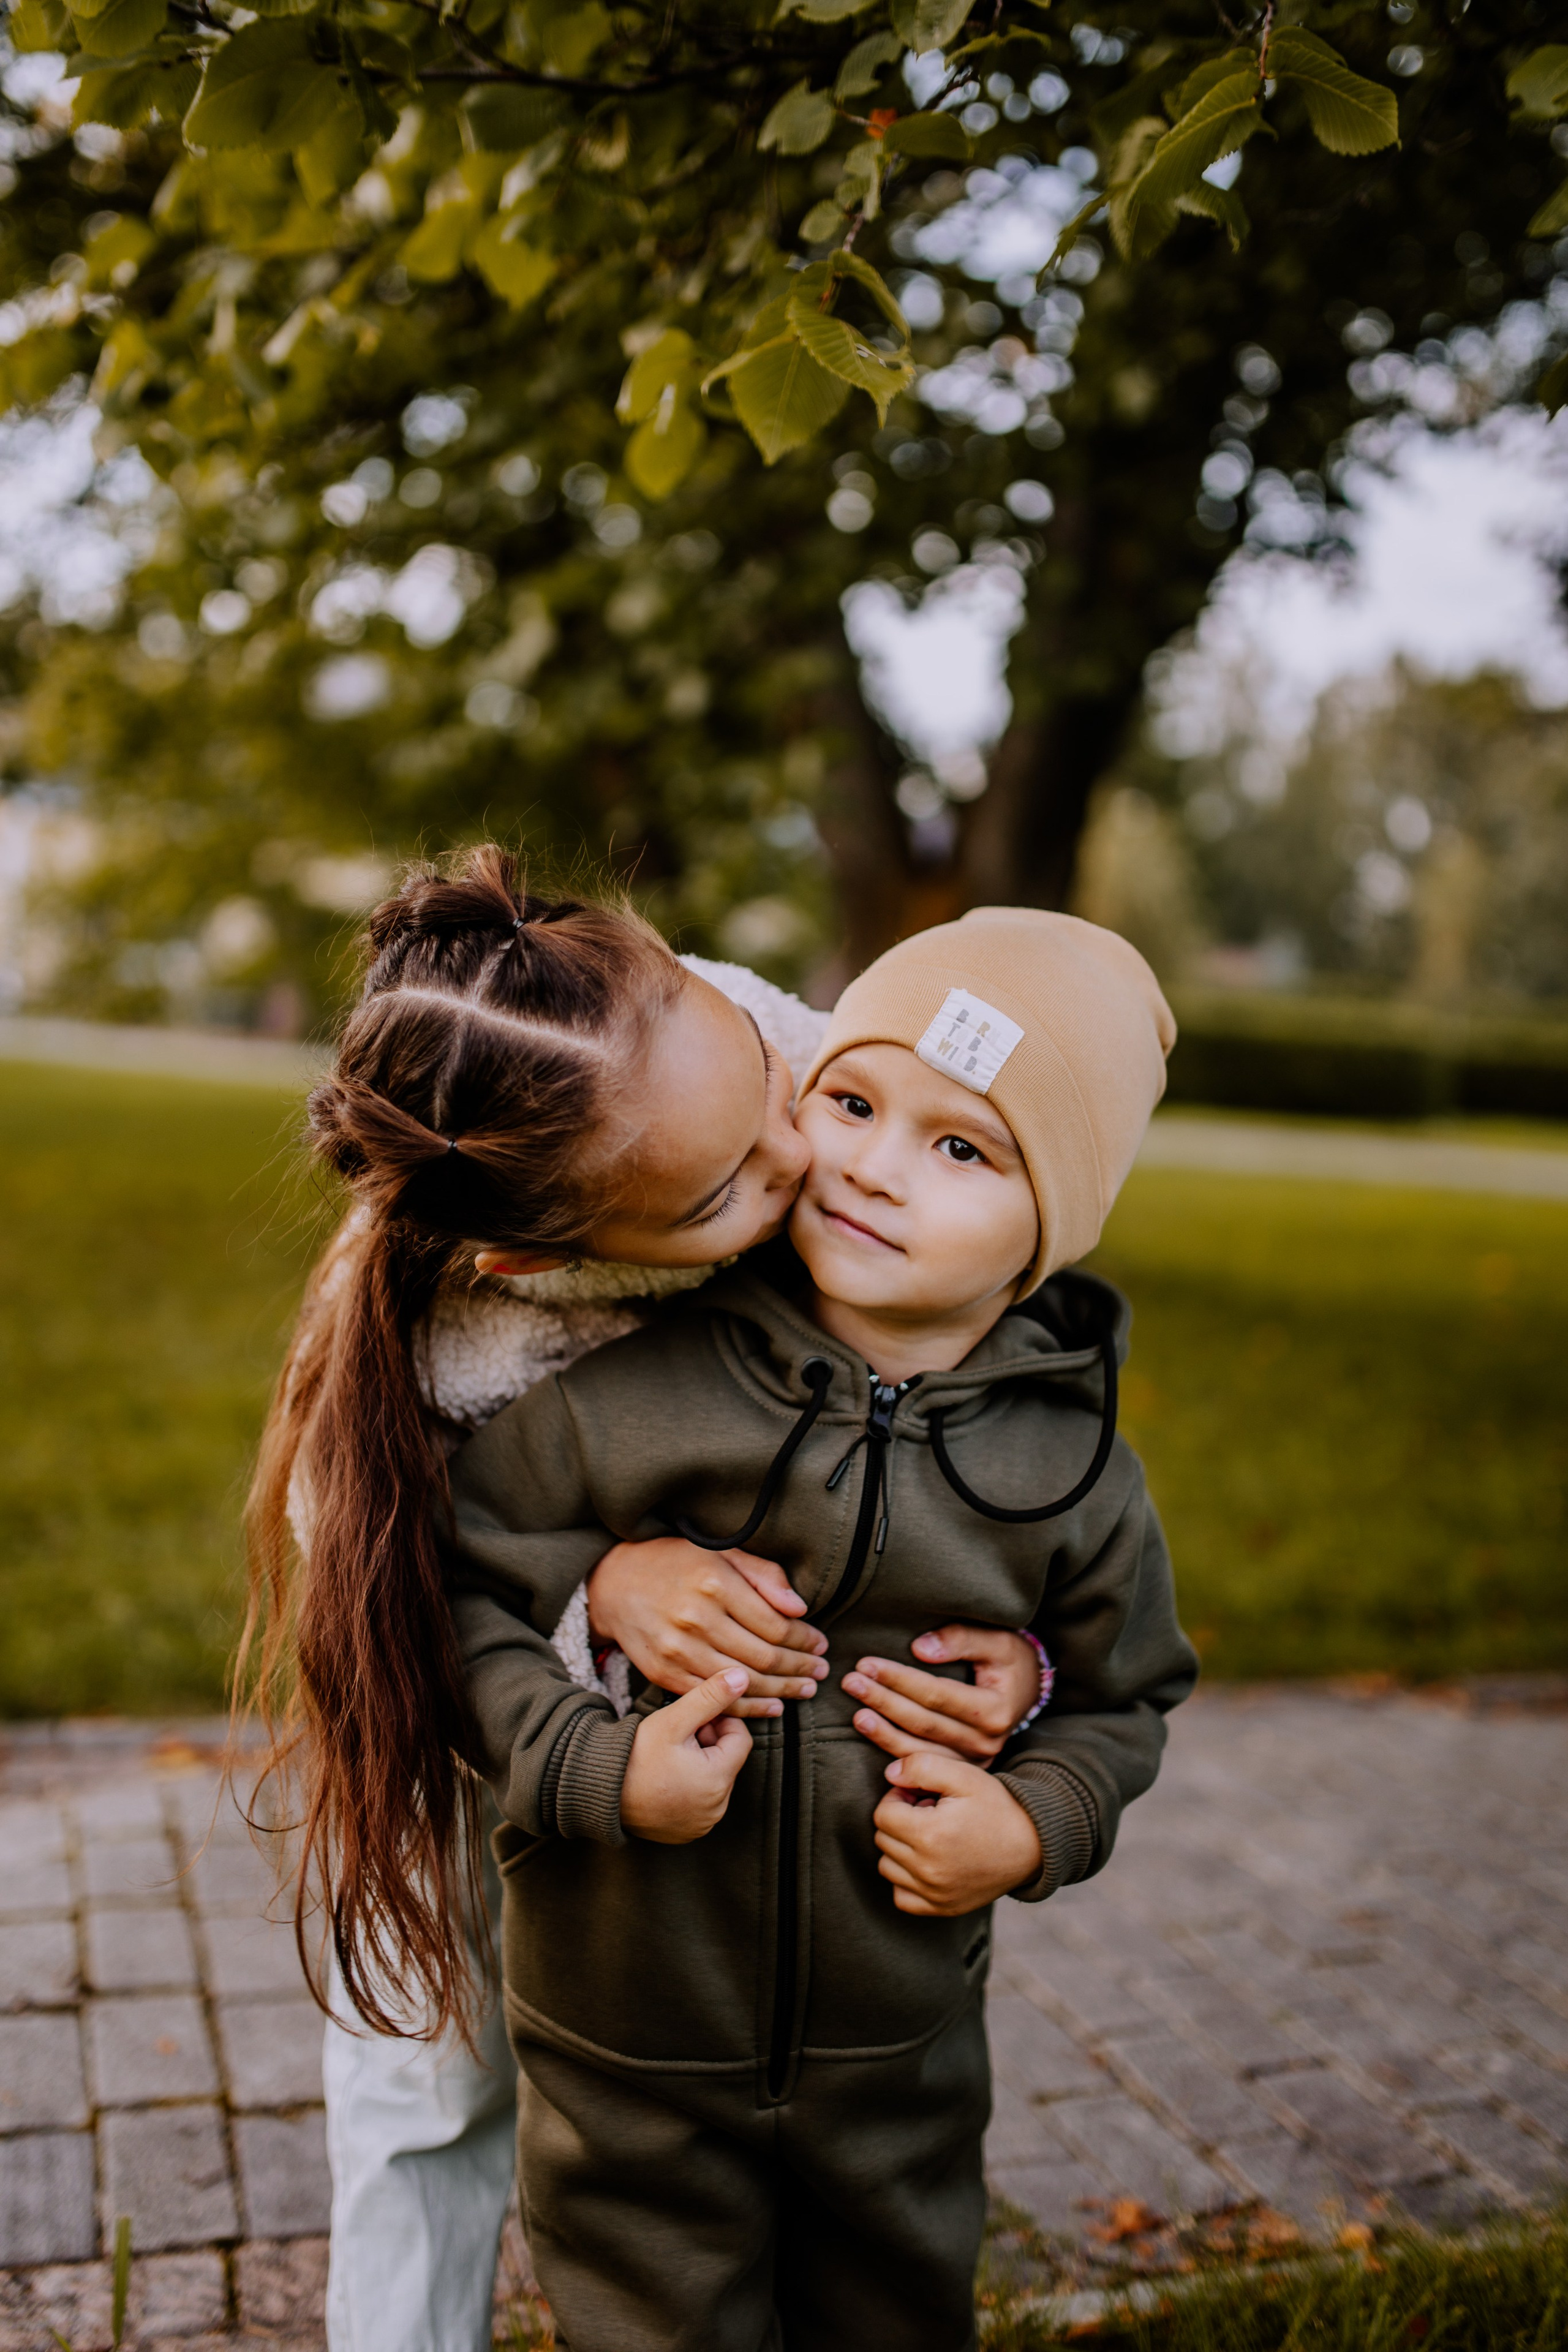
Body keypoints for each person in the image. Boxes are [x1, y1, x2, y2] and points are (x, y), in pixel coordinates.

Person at [243, 848, 1046, 2352]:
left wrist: (1018, 1647)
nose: (799, 1165)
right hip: (464, 1706)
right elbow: (385, 1558)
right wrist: (598, 1584)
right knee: (432, 2069)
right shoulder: (458, 1316)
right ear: (540, 1258)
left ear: (688, 978)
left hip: (709, 1808)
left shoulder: (789, 1075)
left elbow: (975, 1387)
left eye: (765, 1094)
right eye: (724, 1192)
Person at [447, 908, 1199, 2352]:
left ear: (1056, 1219)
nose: (868, 1164)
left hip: (893, 2062)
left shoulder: (1072, 1471)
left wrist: (1034, 1823)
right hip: (628, 2045)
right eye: (851, 1103)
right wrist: (595, 1770)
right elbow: (457, 1601)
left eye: (961, 1147)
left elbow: (1126, 1697)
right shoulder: (634, 1389)